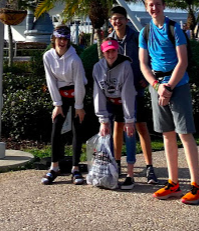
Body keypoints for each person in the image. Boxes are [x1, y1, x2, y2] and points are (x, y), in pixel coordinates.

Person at [139, 0, 199, 205]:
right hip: (157, 86)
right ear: (146, 7)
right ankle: (173, 183)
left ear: (163, 5)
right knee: (167, 134)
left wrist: (168, 87)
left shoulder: (174, 28)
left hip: (178, 85)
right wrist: (158, 86)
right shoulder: (145, 32)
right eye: (150, 4)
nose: (154, 8)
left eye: (157, 4)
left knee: (184, 133)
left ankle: (196, 185)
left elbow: (182, 61)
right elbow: (143, 63)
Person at [108, 5, 158, 184]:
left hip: (136, 89)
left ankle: (149, 166)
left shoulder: (137, 37)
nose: (117, 21)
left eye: (120, 18)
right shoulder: (109, 40)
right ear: (111, 21)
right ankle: (117, 163)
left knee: (141, 127)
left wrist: (148, 76)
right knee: (118, 126)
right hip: (118, 93)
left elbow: (150, 56)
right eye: (114, 18)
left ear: (126, 20)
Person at [42, 25, 87, 185]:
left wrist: (79, 106)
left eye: (65, 39)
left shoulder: (75, 59)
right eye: (59, 38)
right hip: (60, 95)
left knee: (77, 130)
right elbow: (50, 80)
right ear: (54, 39)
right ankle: (54, 166)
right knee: (56, 129)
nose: (62, 42)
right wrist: (57, 104)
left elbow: (79, 83)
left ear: (68, 41)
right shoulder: (47, 56)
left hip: (76, 94)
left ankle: (75, 168)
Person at [93, 37, 137, 190]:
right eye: (107, 52)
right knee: (107, 136)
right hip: (109, 103)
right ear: (103, 53)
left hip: (124, 101)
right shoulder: (98, 68)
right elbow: (98, 93)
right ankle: (111, 171)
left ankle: (130, 175)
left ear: (117, 50)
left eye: (113, 51)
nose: (111, 54)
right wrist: (103, 120)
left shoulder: (125, 66)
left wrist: (129, 120)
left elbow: (128, 93)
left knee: (129, 135)